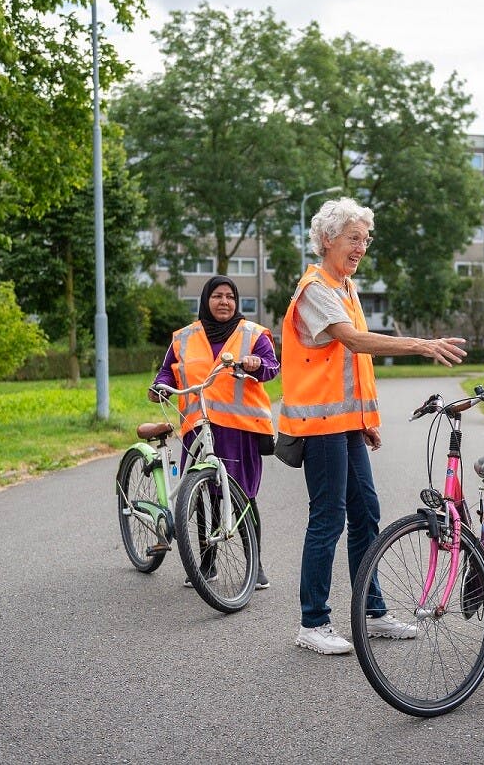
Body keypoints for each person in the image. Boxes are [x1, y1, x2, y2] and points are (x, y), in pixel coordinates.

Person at [279, 196, 467, 655]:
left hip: (345, 424)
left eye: (365, 239)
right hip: (320, 425)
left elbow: (347, 366)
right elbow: (354, 342)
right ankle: (313, 622)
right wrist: (421, 345)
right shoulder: (316, 289)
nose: (361, 247)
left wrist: (365, 420)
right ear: (327, 240)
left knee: (366, 513)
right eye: (352, 238)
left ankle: (373, 609)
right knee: (328, 518)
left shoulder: (344, 286)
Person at [152, 276, 280, 590]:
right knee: (198, 496)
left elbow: (272, 367)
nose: (224, 302)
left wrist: (255, 364)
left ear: (237, 302)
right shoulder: (184, 337)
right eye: (217, 296)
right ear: (206, 300)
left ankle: (255, 565)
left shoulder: (253, 333)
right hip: (198, 427)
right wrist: (159, 386)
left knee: (243, 496)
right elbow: (168, 369)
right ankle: (206, 565)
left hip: (241, 429)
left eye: (229, 297)